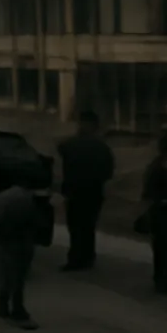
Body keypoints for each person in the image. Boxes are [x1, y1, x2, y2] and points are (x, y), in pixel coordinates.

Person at [56, 110, 114, 270]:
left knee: (75, 226)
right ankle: (87, 257)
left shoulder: (72, 144)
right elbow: (108, 172)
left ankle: (76, 258)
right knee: (88, 226)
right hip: (93, 192)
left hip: (75, 191)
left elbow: (61, 149)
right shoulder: (102, 147)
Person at [0, 171, 43, 330]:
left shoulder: (2, 197)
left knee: (5, 274)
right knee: (19, 277)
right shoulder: (30, 198)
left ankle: (2, 306)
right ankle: (17, 308)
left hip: (6, 241)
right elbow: (38, 222)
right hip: (24, 241)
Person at [141, 129, 167, 294]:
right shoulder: (159, 165)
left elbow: (148, 190)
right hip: (163, 211)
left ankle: (162, 280)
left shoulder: (157, 164)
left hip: (162, 212)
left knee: (162, 248)